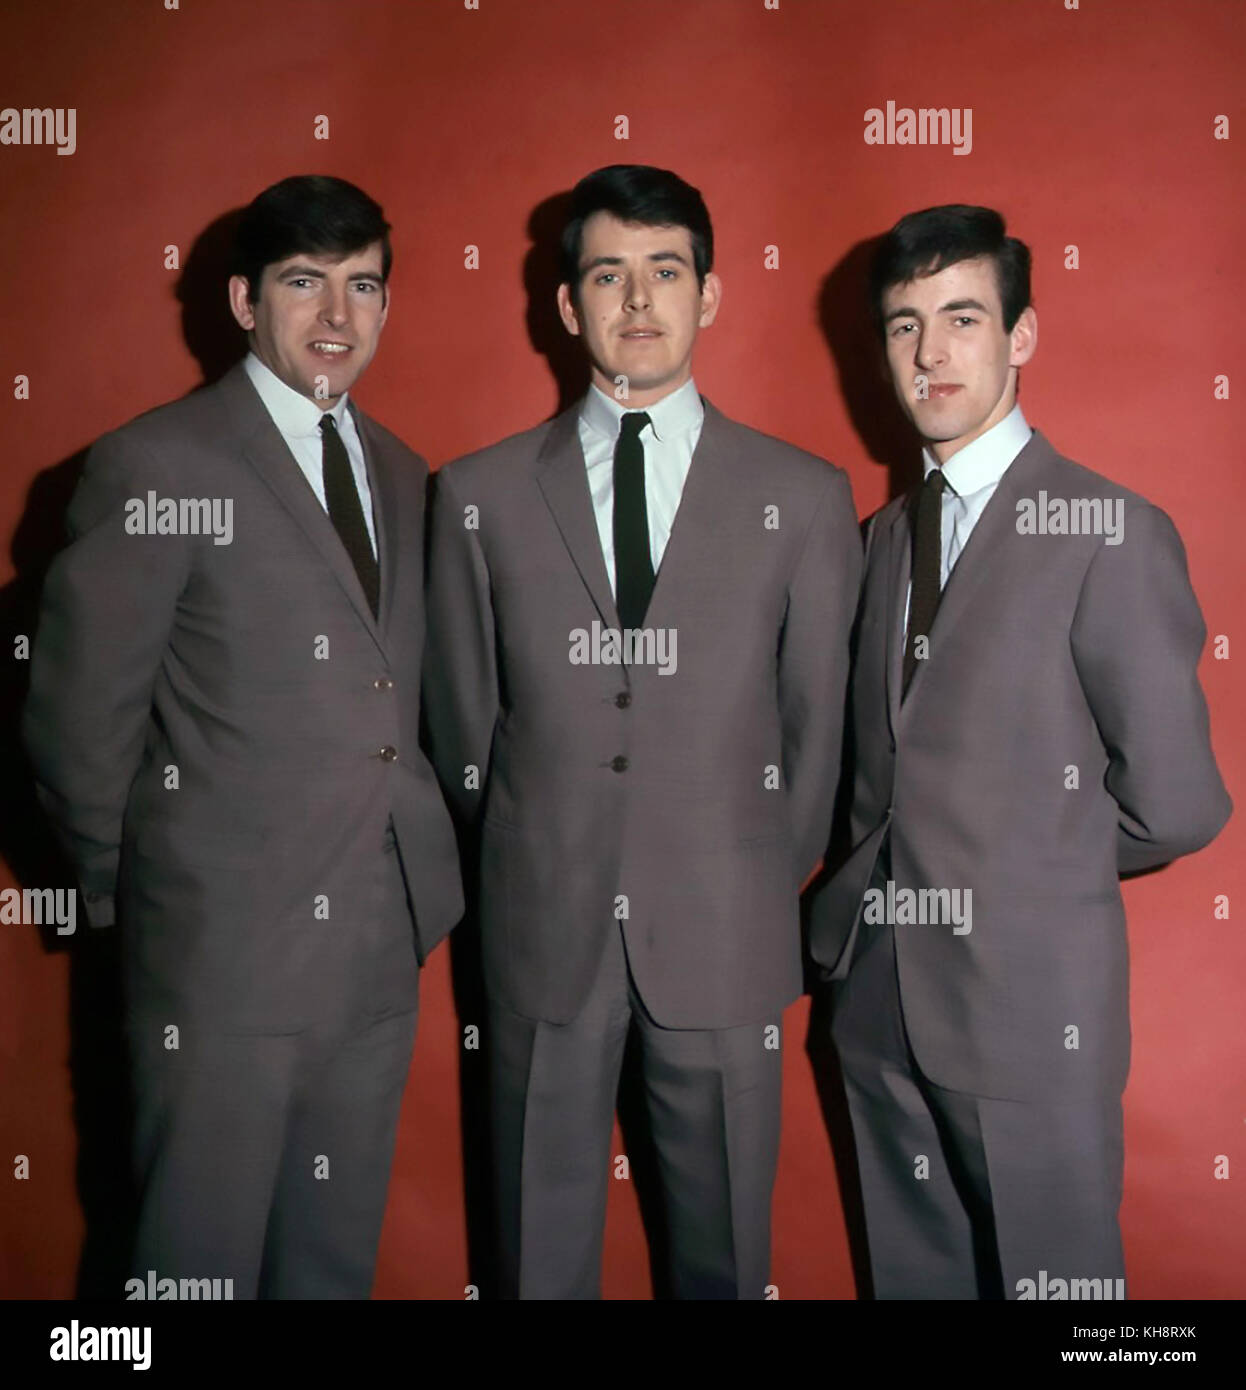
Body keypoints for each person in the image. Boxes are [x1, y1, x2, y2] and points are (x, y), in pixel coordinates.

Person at [423, 164, 862, 1299]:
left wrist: (748, 872)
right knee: (534, 1262)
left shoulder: (803, 498)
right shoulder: (474, 499)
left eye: (665, 271)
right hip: (538, 936)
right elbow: (468, 734)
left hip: (725, 935)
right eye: (608, 274)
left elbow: (816, 742)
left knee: (722, 1264)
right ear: (566, 306)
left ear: (708, 296)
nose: (637, 299)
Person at [22, 174, 462, 1299]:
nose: (335, 317)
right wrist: (161, 909)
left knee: (327, 1263)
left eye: (362, 287)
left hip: (375, 947)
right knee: (193, 1266)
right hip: (216, 961)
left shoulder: (410, 479)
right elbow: (78, 723)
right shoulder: (156, 466)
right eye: (303, 284)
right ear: (241, 301)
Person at [808, 203, 1231, 1299]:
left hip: (1032, 1006)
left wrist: (1021, 870)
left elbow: (1178, 804)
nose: (931, 353)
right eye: (904, 326)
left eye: (960, 318)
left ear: (1021, 335)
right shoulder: (878, 542)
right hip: (874, 999)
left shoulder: (1108, 529)